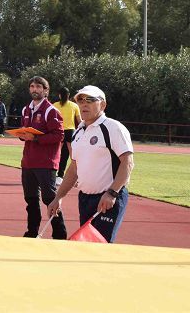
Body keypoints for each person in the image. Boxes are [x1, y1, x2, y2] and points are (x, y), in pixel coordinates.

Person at [47, 85, 134, 243]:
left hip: (108, 198)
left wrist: (112, 193)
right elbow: (74, 169)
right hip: (85, 199)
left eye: (90, 100)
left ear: (103, 104)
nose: (84, 104)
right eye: (80, 100)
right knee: (86, 245)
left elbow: (127, 163)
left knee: (99, 245)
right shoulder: (78, 132)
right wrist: (58, 197)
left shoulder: (113, 128)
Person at [16, 76, 66, 238]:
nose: (34, 89)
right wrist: (22, 135)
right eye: (32, 86)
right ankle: (32, 231)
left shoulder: (51, 111)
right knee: (30, 199)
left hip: (46, 162)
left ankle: (60, 234)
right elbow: (25, 133)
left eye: (38, 87)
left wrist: (36, 138)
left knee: (49, 199)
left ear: (46, 91)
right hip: (28, 162)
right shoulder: (26, 109)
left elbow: (59, 136)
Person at [53, 86, 81, 183]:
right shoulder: (74, 106)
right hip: (71, 131)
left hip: (59, 131)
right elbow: (79, 121)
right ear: (69, 95)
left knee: (56, 154)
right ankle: (79, 176)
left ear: (59, 95)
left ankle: (54, 175)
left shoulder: (55, 105)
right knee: (73, 156)